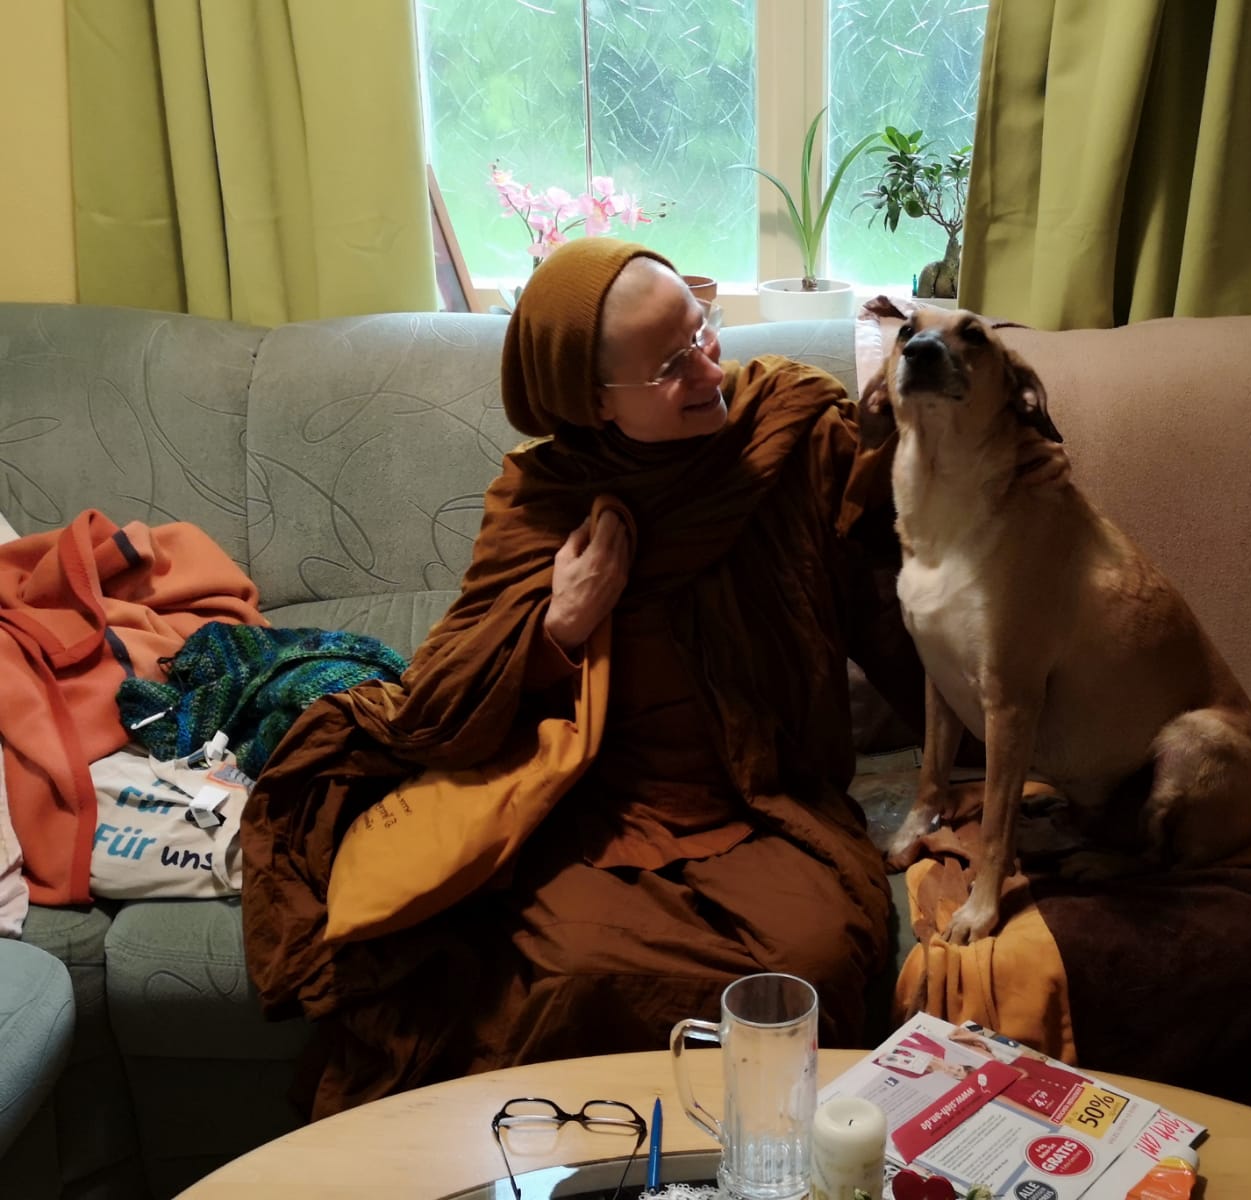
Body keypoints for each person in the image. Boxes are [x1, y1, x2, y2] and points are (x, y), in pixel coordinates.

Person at [239, 239, 922, 1117]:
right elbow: (444, 689)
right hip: (603, 813)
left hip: (764, 806)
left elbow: (899, 581)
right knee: (571, 970)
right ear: (595, 401)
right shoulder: (542, 496)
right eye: (670, 365)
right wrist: (559, 624)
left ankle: (760, 1160)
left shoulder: (787, 428)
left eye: (702, 330)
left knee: (808, 968)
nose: (708, 366)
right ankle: (597, 1159)